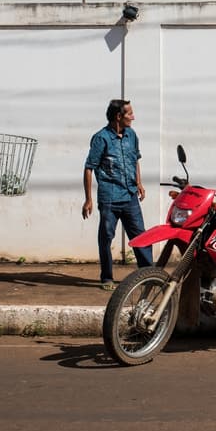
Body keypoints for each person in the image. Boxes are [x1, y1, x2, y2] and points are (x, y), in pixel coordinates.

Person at [82, 99, 152, 291]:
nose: (133, 117)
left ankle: (147, 275)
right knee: (106, 238)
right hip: (109, 198)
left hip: (130, 196)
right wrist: (88, 199)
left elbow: (135, 159)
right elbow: (89, 168)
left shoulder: (132, 135)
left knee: (141, 237)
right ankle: (107, 277)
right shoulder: (101, 138)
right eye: (130, 114)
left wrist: (139, 183)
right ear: (118, 116)